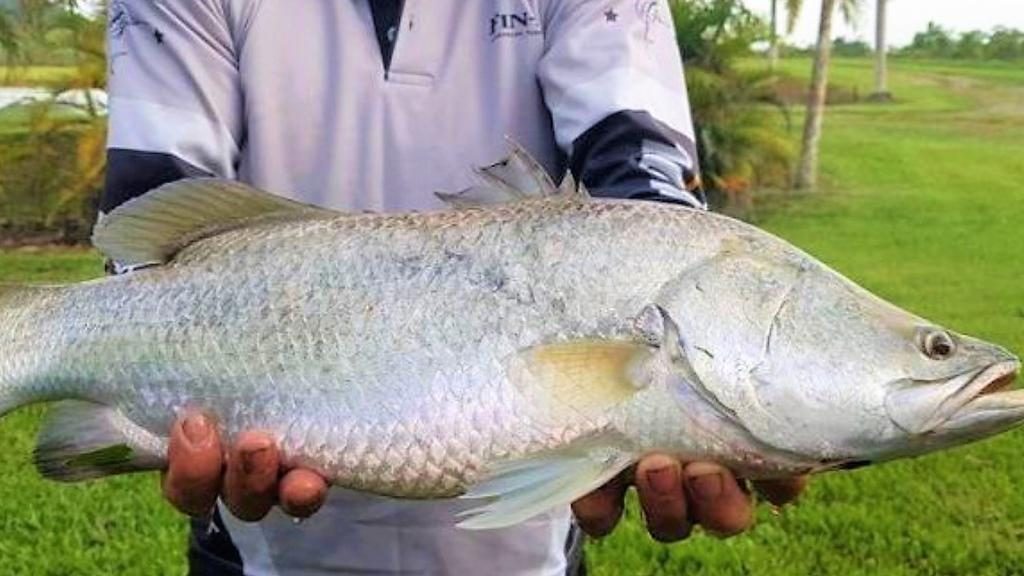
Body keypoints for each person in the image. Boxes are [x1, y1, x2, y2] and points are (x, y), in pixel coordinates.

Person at [101, 1, 807, 574]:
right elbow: (156, 218)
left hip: (528, 548)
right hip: (253, 550)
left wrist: (685, 365)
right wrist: (149, 398)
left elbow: (643, 184)